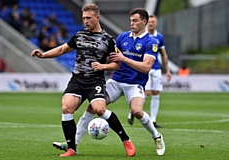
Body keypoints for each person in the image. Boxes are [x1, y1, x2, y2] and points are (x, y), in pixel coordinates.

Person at [53, 8, 166, 156]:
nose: (131, 23)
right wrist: (100, 62)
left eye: (135, 21)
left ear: (144, 22)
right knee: (93, 107)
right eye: (131, 20)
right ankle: (72, 144)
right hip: (116, 80)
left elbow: (146, 67)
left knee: (137, 111)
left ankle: (156, 136)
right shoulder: (122, 37)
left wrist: (124, 59)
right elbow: (110, 57)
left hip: (134, 83)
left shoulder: (151, 41)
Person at [31, 4, 135, 157]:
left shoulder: (108, 40)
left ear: (97, 18)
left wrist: (102, 66)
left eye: (88, 18)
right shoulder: (79, 35)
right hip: (77, 79)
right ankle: (72, 148)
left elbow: (116, 64)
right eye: (84, 18)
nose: (85, 21)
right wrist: (43, 55)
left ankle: (126, 139)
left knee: (100, 109)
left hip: (95, 81)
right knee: (66, 108)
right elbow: (61, 49)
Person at [127, 15, 171, 128]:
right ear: (146, 23)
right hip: (144, 68)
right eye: (149, 22)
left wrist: (167, 70)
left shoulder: (159, 37)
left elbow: (163, 54)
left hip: (156, 68)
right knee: (146, 92)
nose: (151, 23)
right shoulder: (141, 36)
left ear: (156, 23)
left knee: (156, 93)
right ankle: (134, 109)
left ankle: (153, 120)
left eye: (153, 22)